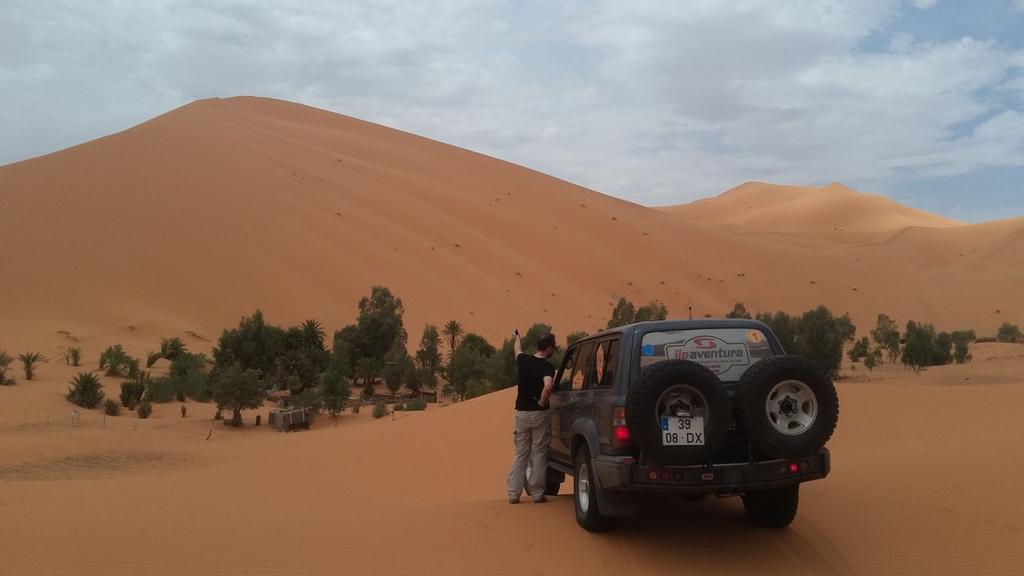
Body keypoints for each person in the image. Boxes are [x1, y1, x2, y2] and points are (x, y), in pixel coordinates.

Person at [506, 329, 557, 504]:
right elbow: (548, 386)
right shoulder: (547, 367)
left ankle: (513, 493)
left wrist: (517, 338)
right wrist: (542, 401)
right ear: (549, 348)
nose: (553, 350)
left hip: (521, 414)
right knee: (539, 453)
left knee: (521, 453)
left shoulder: (524, 360)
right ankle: (537, 493)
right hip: (539, 415)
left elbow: (517, 349)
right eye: (553, 348)